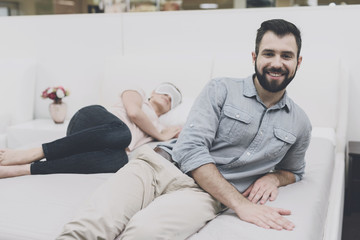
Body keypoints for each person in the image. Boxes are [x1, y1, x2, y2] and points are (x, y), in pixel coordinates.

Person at [57, 19, 312, 240]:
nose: (277, 63)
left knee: (146, 234)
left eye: (286, 56)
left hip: (203, 194)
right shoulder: (221, 89)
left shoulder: (300, 123)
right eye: (269, 53)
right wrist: (240, 204)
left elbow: (294, 171)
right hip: (155, 167)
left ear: (298, 62)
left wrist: (274, 177)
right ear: (255, 57)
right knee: (89, 227)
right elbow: (191, 148)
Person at [0, 82, 182, 178]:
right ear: (153, 92)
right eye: (165, 90)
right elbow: (134, 113)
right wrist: (159, 134)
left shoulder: (163, 127)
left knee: (119, 160)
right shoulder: (138, 93)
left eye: (174, 98)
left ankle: (26, 169)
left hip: (99, 147)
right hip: (90, 121)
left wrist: (170, 132)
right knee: (123, 132)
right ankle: (34, 152)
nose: (168, 96)